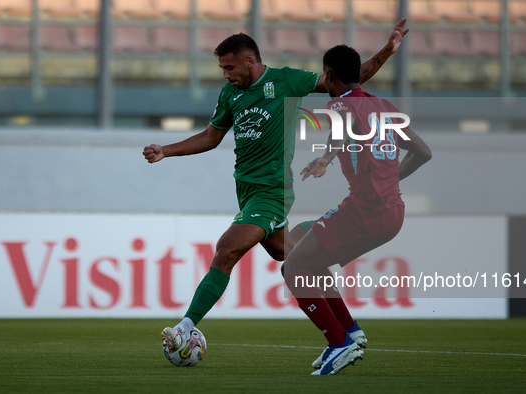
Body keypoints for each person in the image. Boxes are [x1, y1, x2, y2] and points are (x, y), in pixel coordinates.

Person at [142, 19, 410, 357]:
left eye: (229, 67)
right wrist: (167, 150)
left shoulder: (286, 80)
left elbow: (345, 80)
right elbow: (211, 137)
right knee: (301, 258)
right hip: (248, 192)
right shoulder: (230, 94)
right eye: (222, 68)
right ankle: (351, 331)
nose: (225, 74)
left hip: (273, 192)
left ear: (249, 61)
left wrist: (387, 50)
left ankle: (185, 326)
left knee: (227, 249)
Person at [282, 44, 432, 375]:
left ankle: (339, 343)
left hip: (365, 210)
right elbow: (423, 151)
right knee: (303, 246)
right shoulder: (385, 106)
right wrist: (391, 179)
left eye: (324, 73)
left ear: (330, 75)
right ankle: (351, 331)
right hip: (394, 213)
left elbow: (340, 131)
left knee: (292, 269)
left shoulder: (338, 105)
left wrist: (325, 158)